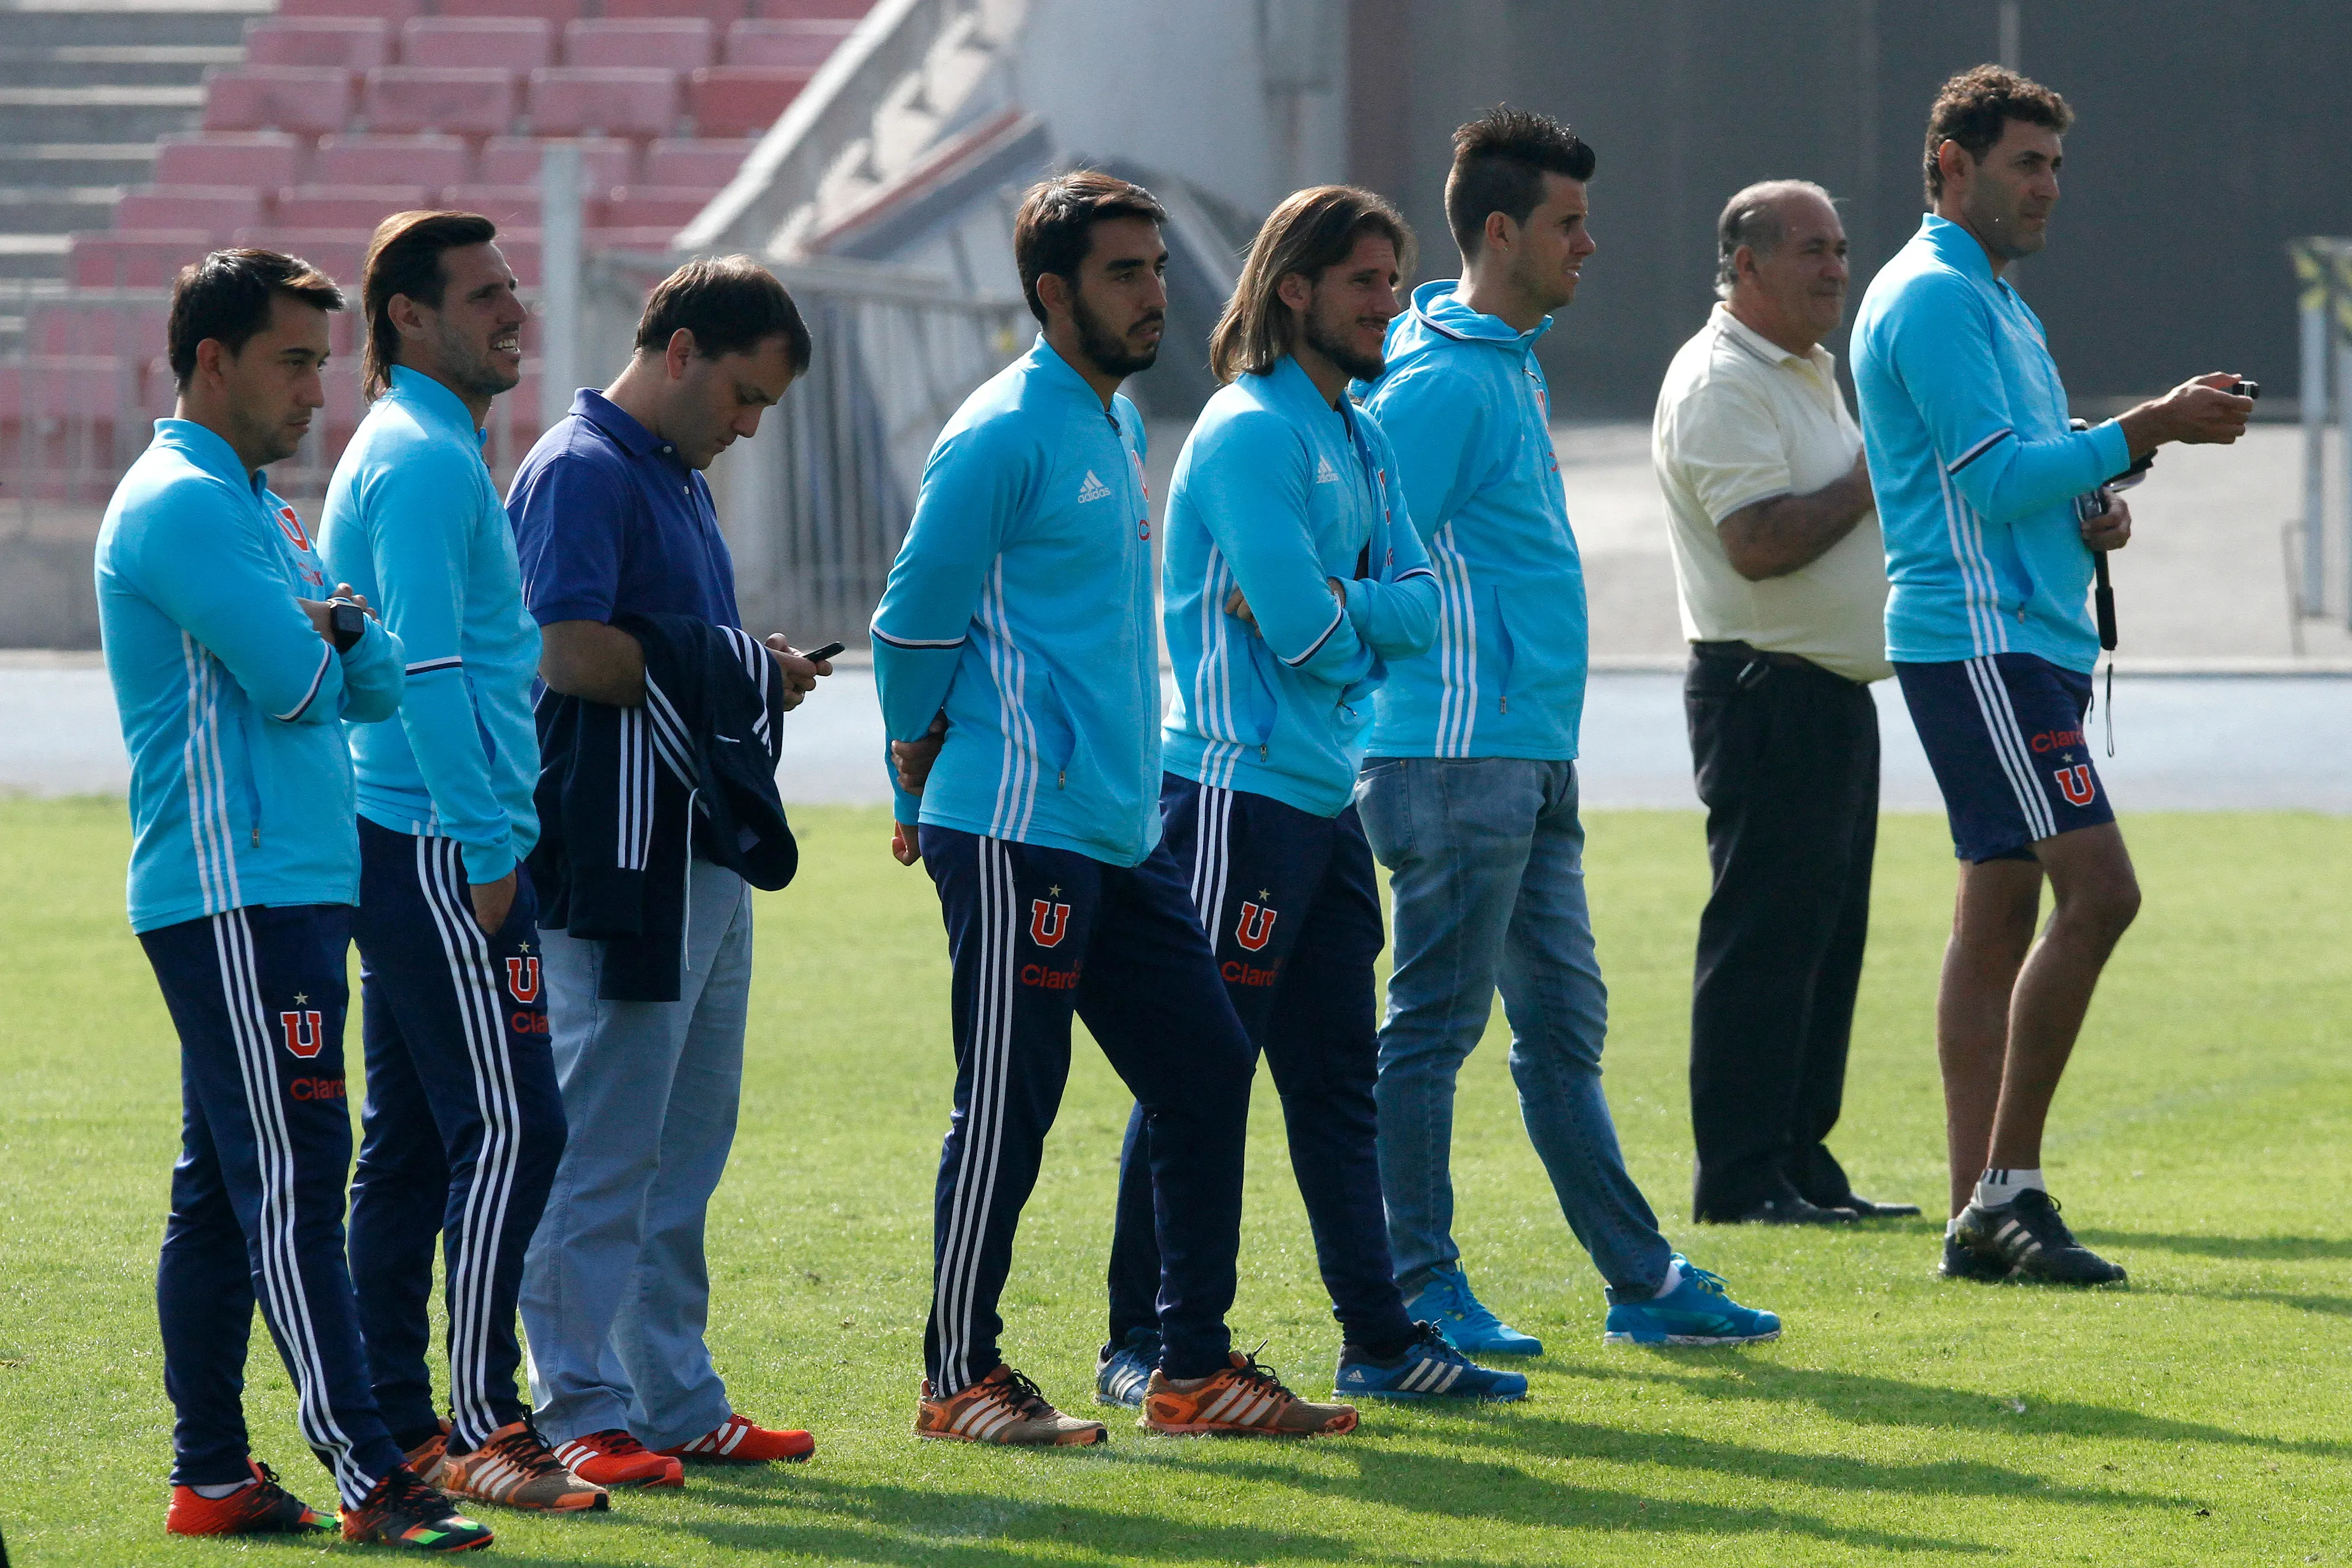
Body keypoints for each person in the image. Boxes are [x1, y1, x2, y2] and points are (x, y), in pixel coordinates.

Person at [875, 170, 1359, 1443]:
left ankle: (1190, 1367)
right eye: (1125, 273)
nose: (1156, 294)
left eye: (1156, 268)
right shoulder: (1001, 431)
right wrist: (907, 777)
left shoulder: (1115, 423)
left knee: (1206, 1069)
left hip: (1117, 828)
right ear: (1052, 293)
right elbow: (910, 622)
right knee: (1011, 1101)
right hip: (1014, 826)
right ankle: (955, 1374)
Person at [1355, 107, 1780, 1350]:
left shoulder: (1503, 355)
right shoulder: (1438, 379)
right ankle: (1418, 1286)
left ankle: (1642, 1283)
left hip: (1525, 756)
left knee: (1562, 1035)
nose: (1590, 245)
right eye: (1570, 223)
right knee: (1435, 1029)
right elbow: (1365, 548)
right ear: (1502, 229)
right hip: (1453, 756)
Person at [1094, 185, 1524, 1410]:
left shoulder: (1361, 434)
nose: (1393, 305)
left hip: (1324, 800)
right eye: (1368, 284)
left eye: (1393, 282)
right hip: (1232, 797)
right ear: (1296, 290)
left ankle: (1379, 1338)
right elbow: (1303, 628)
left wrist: (1344, 607)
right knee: (1200, 1072)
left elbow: (1417, 607)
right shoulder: (1247, 431)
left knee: (1337, 1081)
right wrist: (1345, 610)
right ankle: (1142, 1339)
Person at [97, 247, 492, 1550]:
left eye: (321, 361)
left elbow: (363, 672)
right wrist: (334, 634)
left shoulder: (257, 504)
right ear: (211, 360)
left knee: (224, 1188)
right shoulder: (184, 503)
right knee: (297, 1168)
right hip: (236, 893)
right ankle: (376, 1473)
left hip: (290, 886)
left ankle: (210, 1473)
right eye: (290, 360)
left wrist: (338, 635)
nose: (316, 389)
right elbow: (307, 683)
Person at [1851, 65, 2250, 1284]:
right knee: (2103, 891)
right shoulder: (1932, 298)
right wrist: (2149, 428)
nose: (2049, 188)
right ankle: (2007, 1188)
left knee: (2000, 909)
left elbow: (2027, 478)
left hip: (2023, 637)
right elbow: (1987, 482)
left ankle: (1980, 1209)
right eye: (2028, 163)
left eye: (2057, 166)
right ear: (1953, 166)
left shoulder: (1997, 304)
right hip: (1981, 644)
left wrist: (2092, 506)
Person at [510, 257, 826, 1484]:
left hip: (694, 848)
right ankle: (571, 1407)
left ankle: (673, 1395)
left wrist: (747, 663)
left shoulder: (671, 472)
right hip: (613, 857)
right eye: (744, 396)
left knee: (683, 1143)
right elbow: (565, 650)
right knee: (600, 1143)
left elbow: (669, 657)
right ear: (682, 349)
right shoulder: (583, 468)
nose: (748, 428)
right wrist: (737, 665)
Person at [318, 211, 597, 1512]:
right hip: (442, 841)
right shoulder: (426, 461)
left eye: (512, 291)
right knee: (511, 1121)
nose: (513, 314)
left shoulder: (425, 446)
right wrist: (490, 845)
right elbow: (426, 667)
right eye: (484, 296)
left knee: (421, 1137)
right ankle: (486, 1419)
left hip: (411, 830)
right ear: (407, 319)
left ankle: (401, 1412)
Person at [1652, 180, 1919, 1227]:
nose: (1836, 269)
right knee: (1766, 936)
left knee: (1825, 935)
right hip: (1764, 688)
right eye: (1811, 249)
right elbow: (1758, 546)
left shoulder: (1807, 370)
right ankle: (1739, 1177)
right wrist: (1876, 475)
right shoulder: (1721, 378)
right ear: (1746, 264)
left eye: (1843, 248)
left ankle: (1801, 1160)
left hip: (1826, 691)